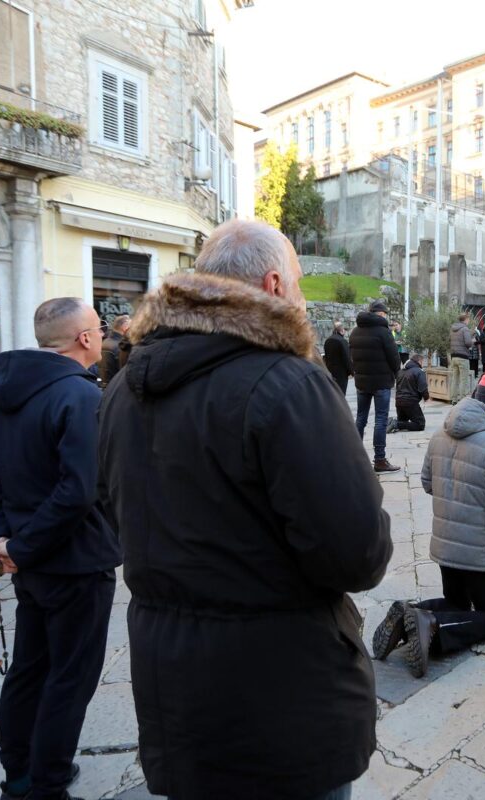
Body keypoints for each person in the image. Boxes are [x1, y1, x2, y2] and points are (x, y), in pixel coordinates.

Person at [98, 220, 393, 800]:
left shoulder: (122, 389)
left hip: (174, 687)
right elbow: (357, 555)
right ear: (276, 283)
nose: (304, 298)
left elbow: (114, 517)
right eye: (302, 283)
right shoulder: (288, 384)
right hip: (283, 697)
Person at [0, 298, 121, 800]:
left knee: (30, 667)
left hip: (30, 560)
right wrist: (17, 544)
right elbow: (79, 491)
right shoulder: (79, 397)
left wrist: (2, 539)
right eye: (99, 329)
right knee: (69, 678)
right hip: (74, 562)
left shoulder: (11, 390)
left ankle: (18, 773)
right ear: (84, 338)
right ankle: (48, 783)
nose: (103, 337)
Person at [370, 361, 485, 678]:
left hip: (445, 545)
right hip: (481, 551)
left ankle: (411, 614)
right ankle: (432, 629)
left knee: (457, 602)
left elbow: (428, 483)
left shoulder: (441, 433)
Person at [350, 300, 403, 473]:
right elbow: (394, 358)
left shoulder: (355, 332)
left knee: (360, 418)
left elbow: (352, 357)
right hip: (381, 382)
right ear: (380, 314)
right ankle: (379, 460)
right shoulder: (384, 332)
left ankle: (354, 458)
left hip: (362, 382)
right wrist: (396, 373)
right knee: (380, 420)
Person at [389, 352, 430, 433]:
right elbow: (423, 388)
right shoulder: (419, 371)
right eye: (422, 361)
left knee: (403, 421)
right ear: (419, 361)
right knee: (420, 424)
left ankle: (393, 422)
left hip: (398, 402)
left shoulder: (400, 371)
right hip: (411, 402)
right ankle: (396, 424)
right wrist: (426, 398)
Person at [323, 320, 355, 395]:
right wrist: (352, 371)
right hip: (341, 373)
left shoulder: (327, 341)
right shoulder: (342, 341)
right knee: (341, 394)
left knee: (333, 394)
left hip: (330, 371)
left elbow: (326, 357)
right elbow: (347, 358)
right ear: (341, 331)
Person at [98, 314, 131, 385]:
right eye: (130, 327)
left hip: (105, 387)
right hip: (116, 387)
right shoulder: (121, 347)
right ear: (125, 327)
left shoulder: (105, 342)